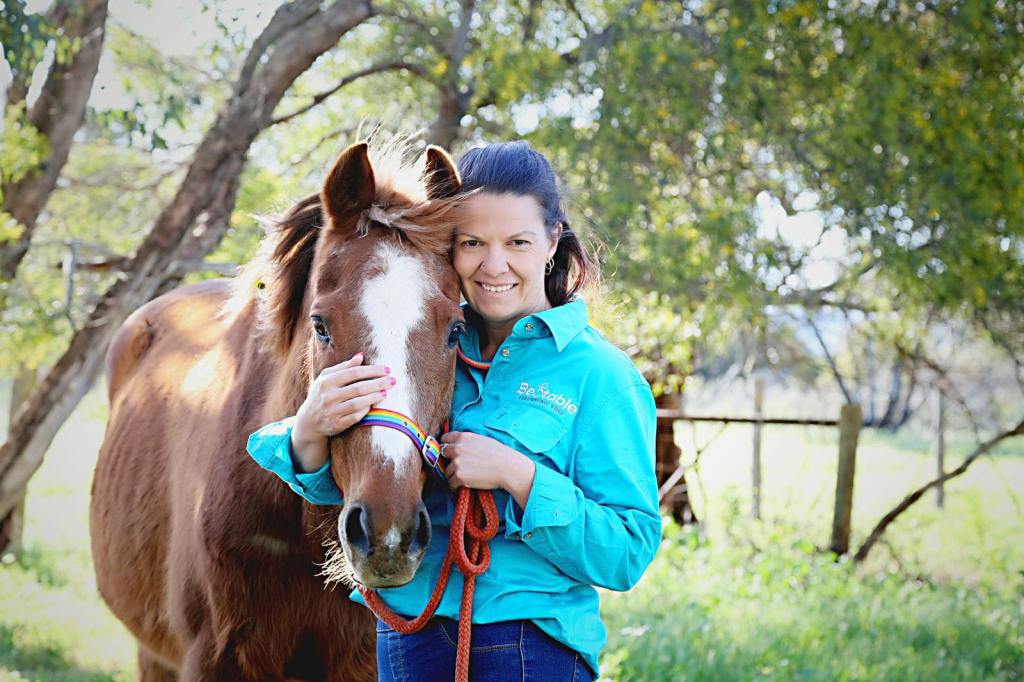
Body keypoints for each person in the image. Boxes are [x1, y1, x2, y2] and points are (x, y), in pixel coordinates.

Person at [246, 141, 660, 681]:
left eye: (517, 242)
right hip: (408, 635)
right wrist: (309, 429)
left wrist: (519, 477)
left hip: (529, 645)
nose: (494, 265)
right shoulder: (427, 346)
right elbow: (365, 477)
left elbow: (626, 552)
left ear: (553, 241)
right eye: (472, 243)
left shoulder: (598, 375)